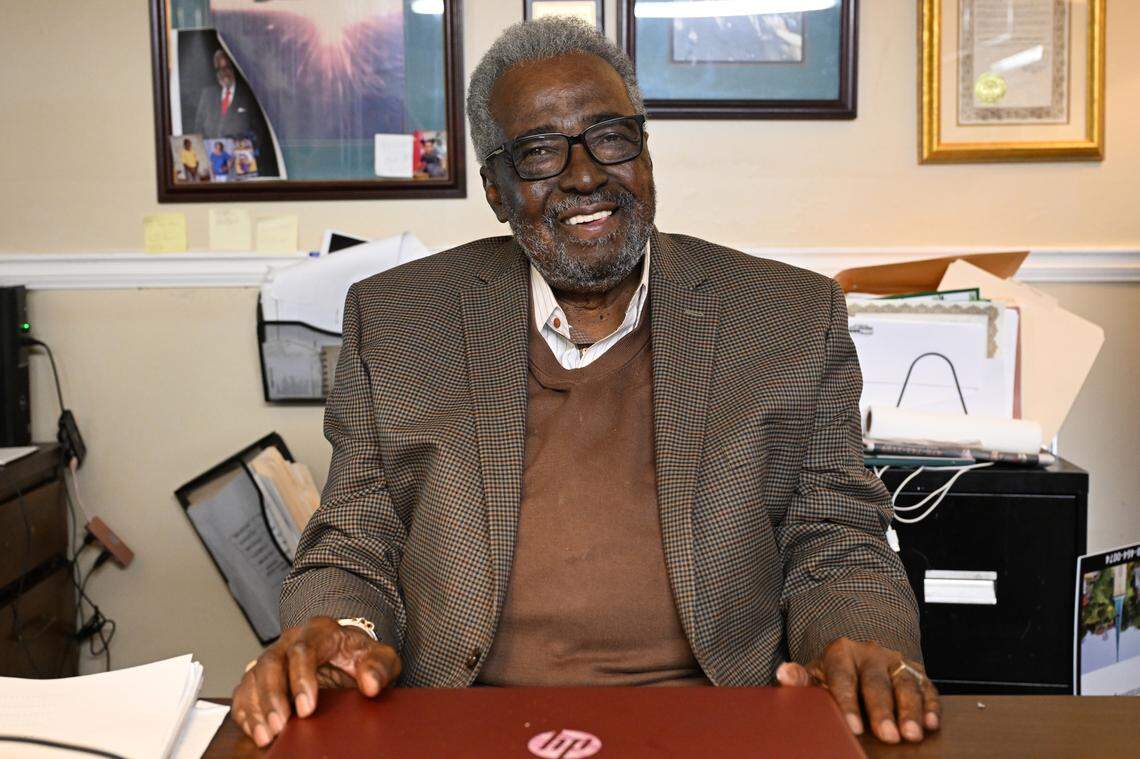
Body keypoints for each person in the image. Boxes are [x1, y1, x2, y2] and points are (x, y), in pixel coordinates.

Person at [233, 17, 939, 748]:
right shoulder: (400, 320)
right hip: (464, 721)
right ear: (497, 191)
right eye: (540, 152)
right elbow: (356, 539)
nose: (584, 175)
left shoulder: (787, 316)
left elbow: (836, 536)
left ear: (645, 152)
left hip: (713, 720)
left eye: (610, 136)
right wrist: (345, 630)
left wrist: (857, 642)